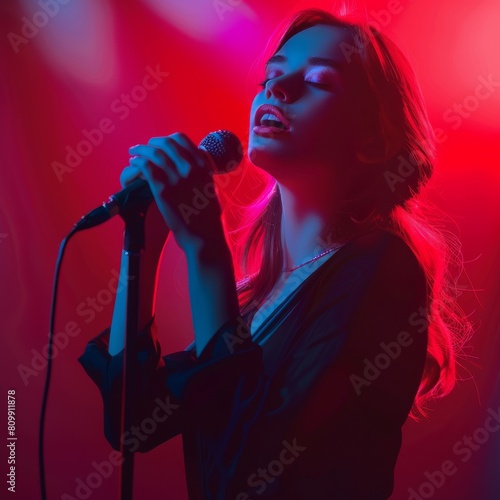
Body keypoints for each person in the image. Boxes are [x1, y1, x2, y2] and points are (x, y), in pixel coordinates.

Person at [78, 8, 471, 499]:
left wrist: (205, 248)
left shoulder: (382, 270)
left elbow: (256, 464)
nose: (277, 88)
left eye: (319, 80)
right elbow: (130, 420)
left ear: (372, 140)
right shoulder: (253, 311)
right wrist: (147, 236)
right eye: (272, 75)